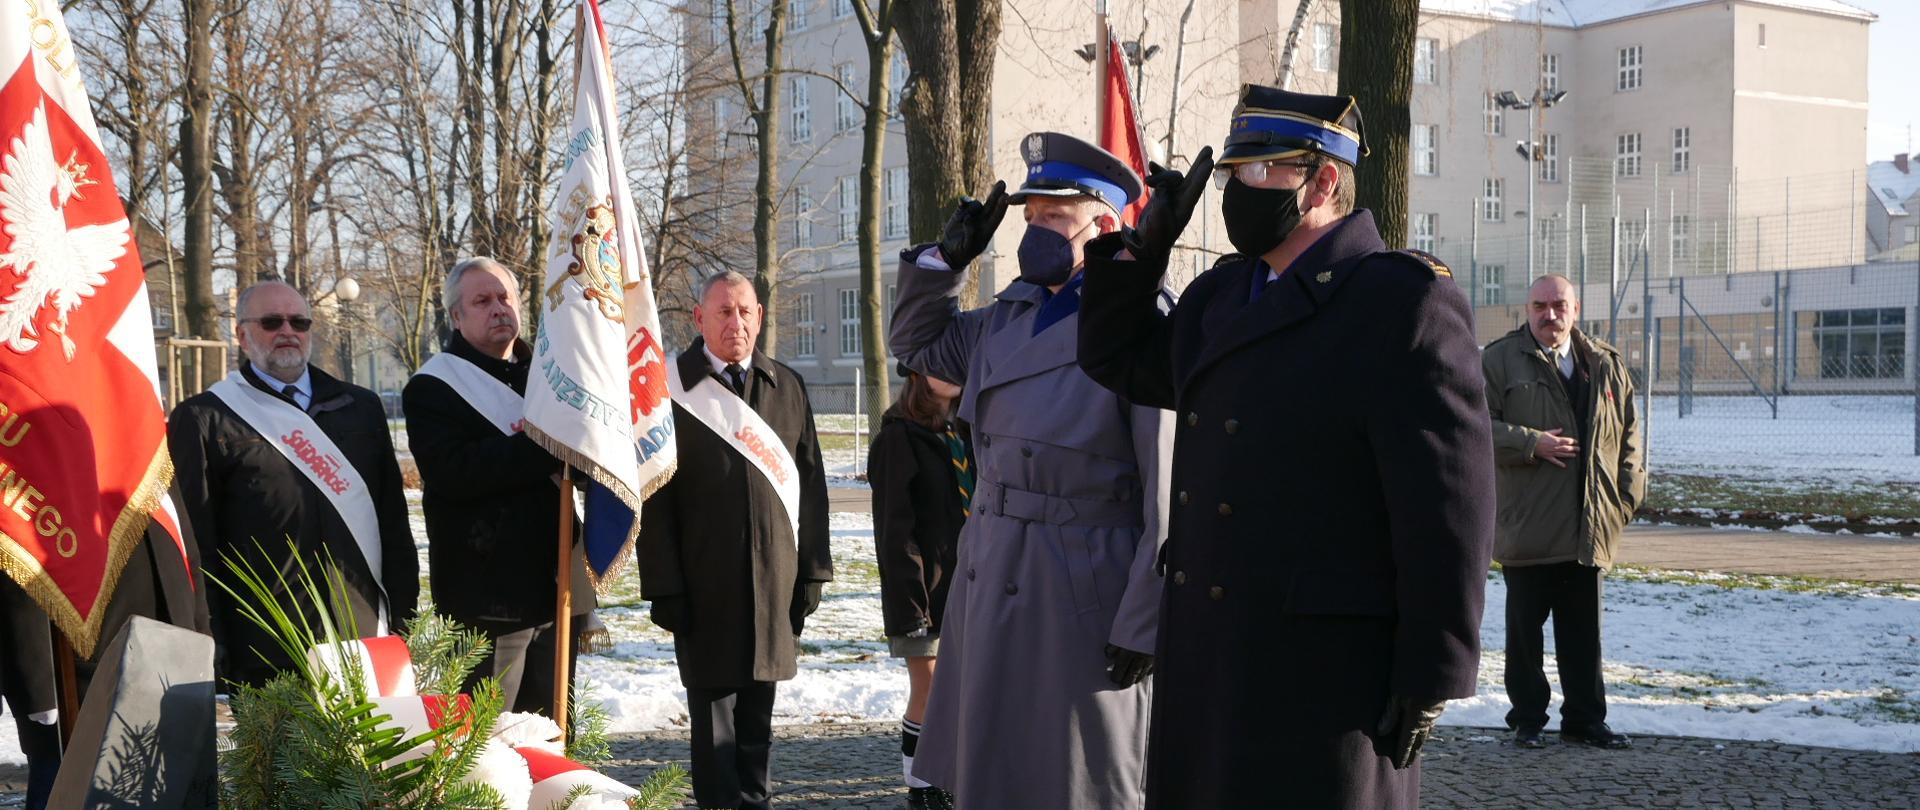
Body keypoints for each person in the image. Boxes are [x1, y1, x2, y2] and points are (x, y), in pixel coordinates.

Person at [1075, 85, 1496, 809]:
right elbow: (1119, 361)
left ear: (1323, 181)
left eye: (1259, 171)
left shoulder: (1398, 301)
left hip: (1322, 666)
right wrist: (1145, 250)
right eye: (1234, 172)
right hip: (1212, 644)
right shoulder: (1222, 295)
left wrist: (1433, 668)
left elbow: (1449, 506)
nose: (1238, 189)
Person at [889, 131, 1172, 810]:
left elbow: (1169, 494)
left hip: (1081, 585)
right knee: (992, 778)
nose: (1037, 227)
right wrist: (946, 261)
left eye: (1056, 215)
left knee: (1076, 778)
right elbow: (916, 345)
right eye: (1033, 214)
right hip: (991, 571)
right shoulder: (1006, 314)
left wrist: (1144, 622)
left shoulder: (1144, 323)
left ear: (1104, 223)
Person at [636, 271, 832, 810]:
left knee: (756, 731)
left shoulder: (785, 386)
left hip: (773, 587)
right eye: (723, 312)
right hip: (704, 590)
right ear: (698, 319)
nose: (736, 323)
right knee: (715, 732)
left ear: (760, 316)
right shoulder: (670, 391)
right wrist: (664, 586)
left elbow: (810, 487)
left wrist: (813, 570)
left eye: (745, 311)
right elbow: (654, 498)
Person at [170, 279, 417, 688]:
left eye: (299, 322)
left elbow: (393, 522)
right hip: (267, 643)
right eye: (271, 322)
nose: (288, 332)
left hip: (364, 632)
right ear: (243, 335)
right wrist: (215, 646)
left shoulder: (360, 407)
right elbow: (199, 547)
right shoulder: (203, 418)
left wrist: (405, 622)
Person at [403, 257, 598, 718]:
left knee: (550, 733)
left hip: (556, 584)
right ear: (456, 316)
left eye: (504, 297)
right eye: (482, 300)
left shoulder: (554, 377)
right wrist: (547, 447)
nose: (497, 309)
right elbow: (456, 471)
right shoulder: (434, 387)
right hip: (485, 595)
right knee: (486, 743)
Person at [1482, 274, 1644, 750]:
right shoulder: (1497, 361)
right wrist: (1533, 443)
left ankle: (1585, 720)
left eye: (1558, 305)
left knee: (1584, 636)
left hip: (1588, 527)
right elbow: (1474, 427)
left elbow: (1630, 437)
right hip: (1528, 527)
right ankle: (1528, 718)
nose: (1549, 315)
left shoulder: (1605, 364)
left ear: (1576, 309)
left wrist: (1625, 500)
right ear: (1526, 309)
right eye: (1539, 306)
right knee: (1524, 637)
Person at [866, 364, 972, 810]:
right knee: (928, 691)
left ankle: (954, 778)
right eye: (940, 364)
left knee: (964, 693)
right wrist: (911, 608)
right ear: (917, 374)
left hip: (970, 589)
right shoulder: (898, 437)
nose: (953, 371)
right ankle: (922, 785)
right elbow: (895, 530)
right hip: (922, 593)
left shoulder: (967, 429)